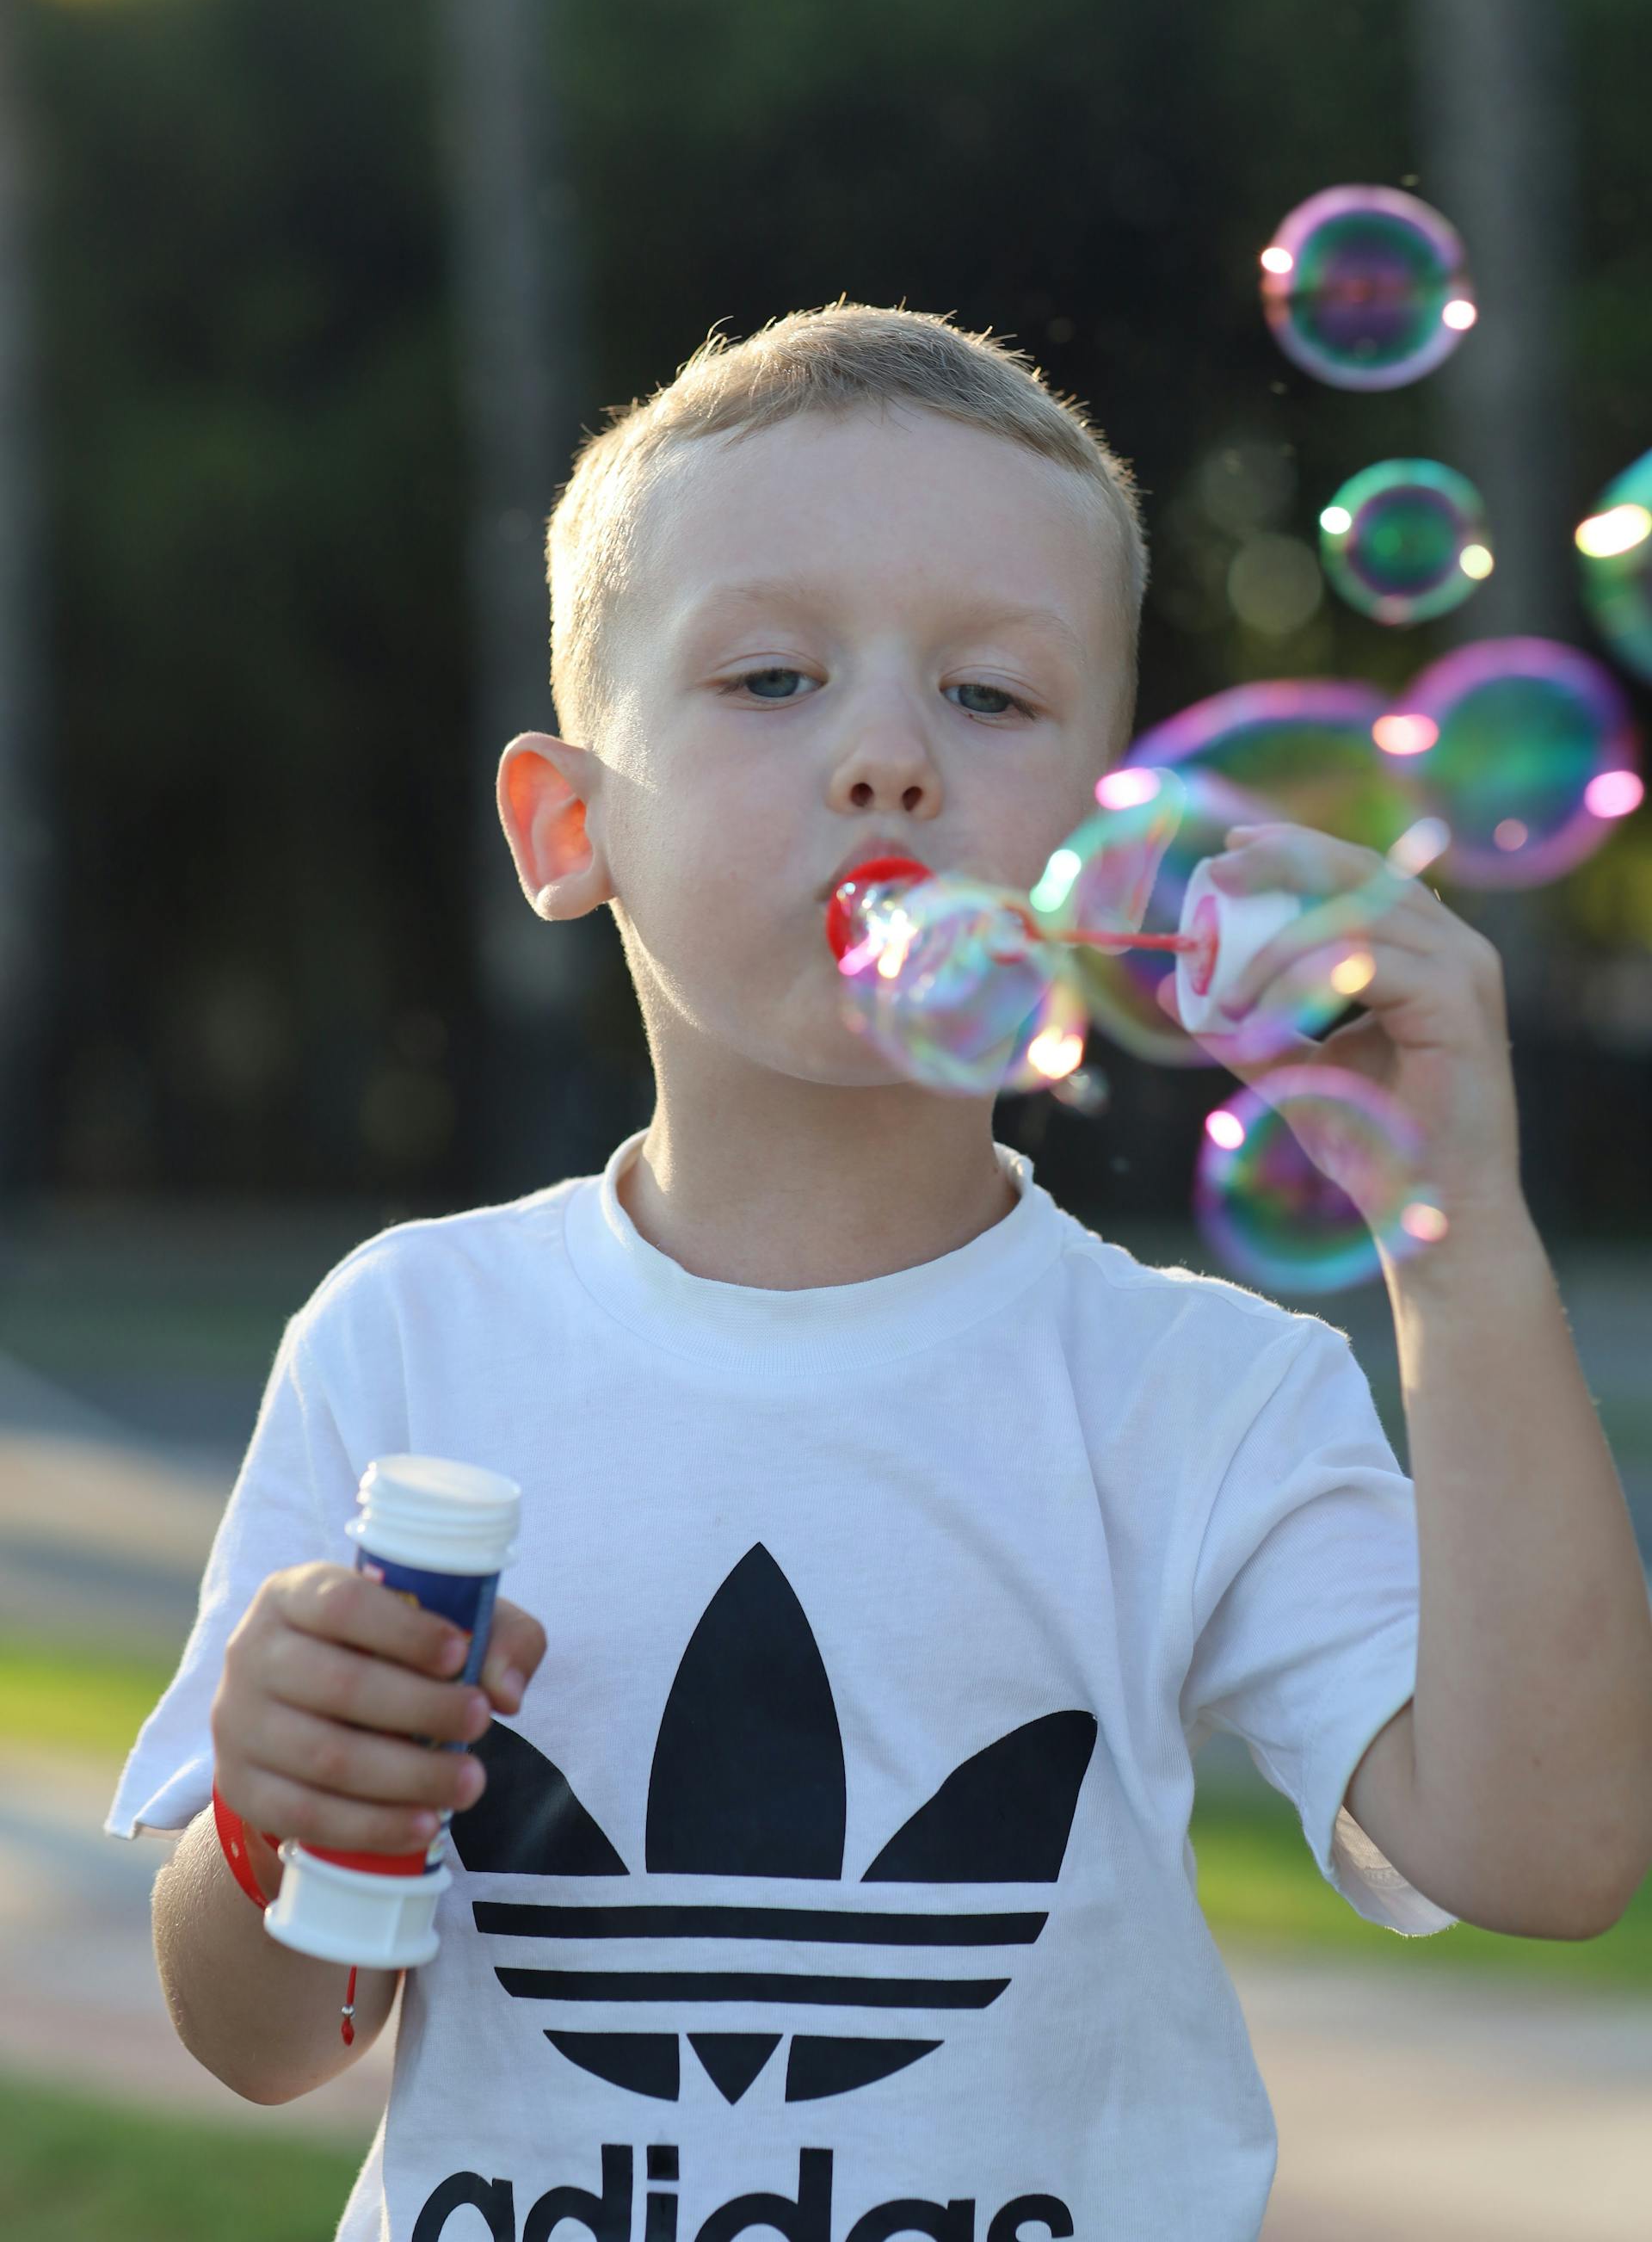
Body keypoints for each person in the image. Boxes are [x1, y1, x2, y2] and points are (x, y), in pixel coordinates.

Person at [108, 303, 1652, 2241]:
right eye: (772, 677)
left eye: (991, 698)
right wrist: (276, 1806)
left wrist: (1459, 1236)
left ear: (1105, 847)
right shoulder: (413, 1337)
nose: (888, 761)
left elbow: (1548, 1855)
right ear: (570, 825)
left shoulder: (1201, 1397)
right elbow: (262, 2042)